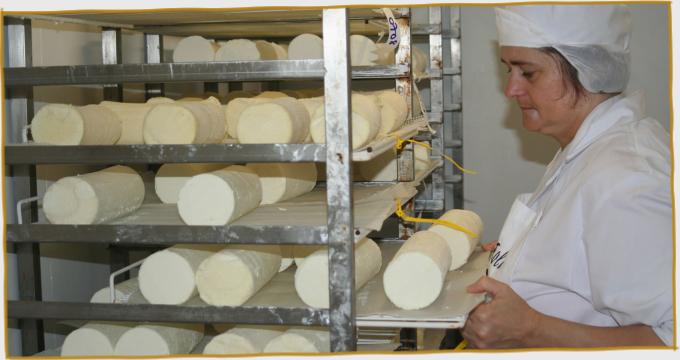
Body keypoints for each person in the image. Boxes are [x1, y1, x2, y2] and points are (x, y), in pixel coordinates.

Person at [461, 4, 673, 348]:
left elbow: (670, 338)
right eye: (509, 70)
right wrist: (515, 254)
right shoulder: (586, 148)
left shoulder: (628, 179)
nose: (510, 90)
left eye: (527, 73)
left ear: (586, 70)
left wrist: (532, 328)